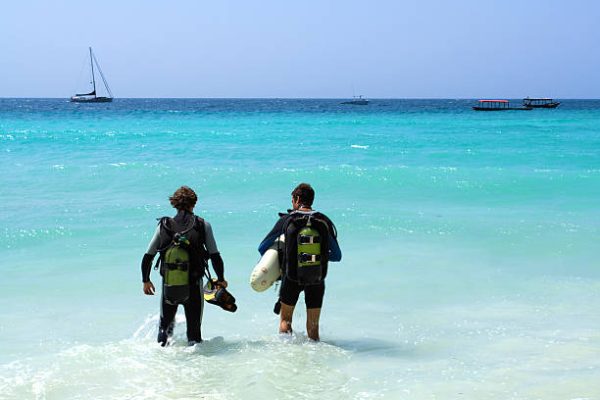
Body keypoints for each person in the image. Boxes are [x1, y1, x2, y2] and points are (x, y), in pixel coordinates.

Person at [140, 186, 228, 346]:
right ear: (194, 204)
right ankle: (194, 366)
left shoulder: (164, 226)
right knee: (194, 334)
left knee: (165, 330)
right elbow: (215, 255)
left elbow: (148, 256)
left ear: (174, 204)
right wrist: (221, 279)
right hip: (194, 286)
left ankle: (160, 362)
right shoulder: (203, 225)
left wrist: (145, 280)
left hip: (170, 286)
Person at [258, 183, 341, 341]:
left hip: (291, 277)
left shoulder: (287, 220)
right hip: (317, 278)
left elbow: (262, 247)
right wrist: (318, 256)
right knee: (313, 327)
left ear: (296, 199)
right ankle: (315, 359)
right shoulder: (323, 220)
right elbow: (337, 255)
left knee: (285, 321)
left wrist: (284, 252)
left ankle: (286, 358)